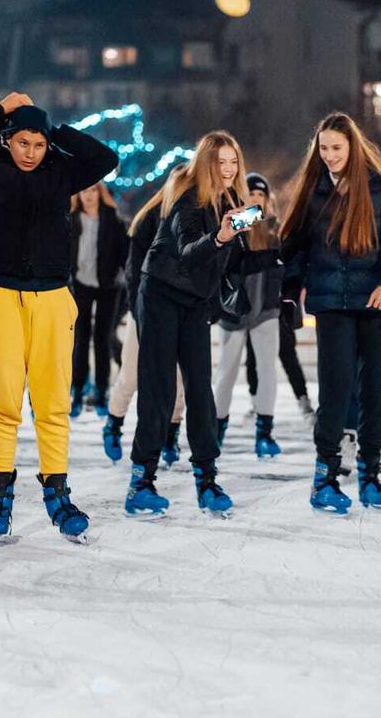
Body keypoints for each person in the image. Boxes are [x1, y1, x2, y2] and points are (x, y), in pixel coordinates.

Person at [0, 91, 118, 542]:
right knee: (3, 401)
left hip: (53, 296)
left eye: (38, 145)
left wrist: (50, 128)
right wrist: (1, 107)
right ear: (6, 140)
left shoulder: (60, 171)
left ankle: (56, 490)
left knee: (53, 402)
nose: (31, 153)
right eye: (23, 142)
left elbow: (105, 158)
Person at [125, 133, 266, 517]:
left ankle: (206, 478)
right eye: (220, 162)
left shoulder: (236, 204)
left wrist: (284, 259)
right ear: (206, 164)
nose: (228, 169)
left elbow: (235, 262)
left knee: (200, 389)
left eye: (233, 161)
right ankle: (141, 481)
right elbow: (189, 252)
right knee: (158, 391)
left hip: (194, 303)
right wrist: (220, 236)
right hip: (160, 296)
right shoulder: (186, 198)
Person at [280, 113, 381, 514]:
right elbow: (296, 249)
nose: (330, 155)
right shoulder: (313, 192)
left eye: (337, 148)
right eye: (324, 149)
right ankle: (325, 475)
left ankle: (371, 472)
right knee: (336, 391)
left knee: (376, 390)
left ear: (353, 147)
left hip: (375, 304)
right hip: (332, 304)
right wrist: (289, 294)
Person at [102, 171, 187, 467]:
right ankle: (113, 424)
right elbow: (133, 271)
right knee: (130, 375)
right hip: (145, 311)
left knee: (177, 378)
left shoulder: (194, 218)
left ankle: (171, 433)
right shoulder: (149, 218)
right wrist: (140, 310)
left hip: (179, 311)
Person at [213, 172, 286, 459]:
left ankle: (265, 432)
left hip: (266, 307)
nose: (256, 199)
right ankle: (216, 429)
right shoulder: (236, 223)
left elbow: (286, 264)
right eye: (251, 194)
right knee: (226, 372)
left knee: (268, 370)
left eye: (261, 194)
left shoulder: (275, 227)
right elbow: (226, 259)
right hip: (234, 309)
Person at [69, 181, 128, 418]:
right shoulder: (70, 220)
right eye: (84, 190)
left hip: (108, 286)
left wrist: (127, 279)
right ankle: (78, 392)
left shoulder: (113, 220)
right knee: (80, 340)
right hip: (79, 285)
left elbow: (125, 254)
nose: (88, 195)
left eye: (93, 190)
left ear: (100, 193)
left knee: (103, 339)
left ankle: (102, 393)